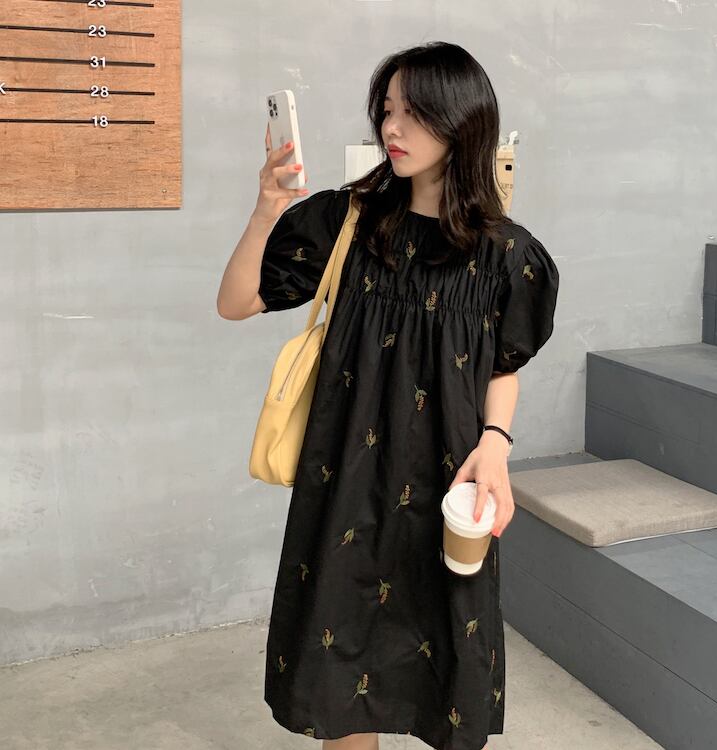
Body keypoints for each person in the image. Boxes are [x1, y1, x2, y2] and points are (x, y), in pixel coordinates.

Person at [217, 41, 559, 750]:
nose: (391, 128)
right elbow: (237, 302)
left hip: (449, 478)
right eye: (387, 110)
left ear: (461, 122)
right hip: (347, 480)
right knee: (340, 669)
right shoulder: (348, 221)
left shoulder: (507, 254)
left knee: (446, 660)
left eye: (412, 113)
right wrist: (266, 209)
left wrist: (496, 446)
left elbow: (502, 364)